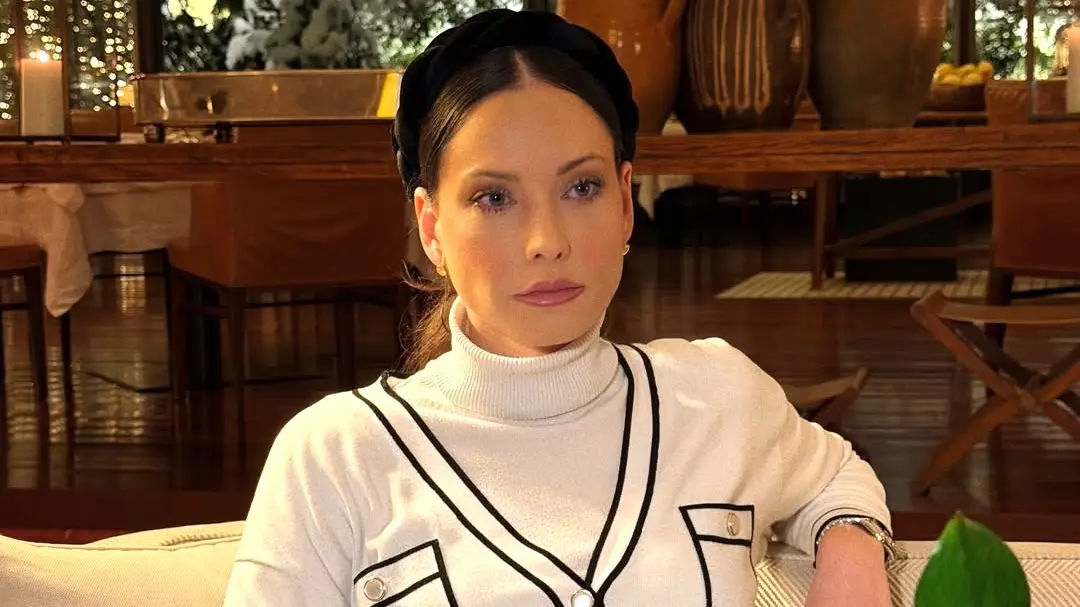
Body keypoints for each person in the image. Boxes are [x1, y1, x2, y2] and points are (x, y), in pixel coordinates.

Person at [222, 8, 895, 607]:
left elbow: (838, 477)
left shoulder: (716, 396)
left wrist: (851, 550)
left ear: (626, 202)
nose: (547, 241)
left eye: (581, 187)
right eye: (493, 198)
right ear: (431, 229)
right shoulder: (337, 455)